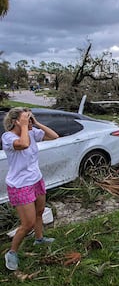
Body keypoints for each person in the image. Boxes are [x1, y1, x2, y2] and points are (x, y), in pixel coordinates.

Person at [2, 107, 59, 271]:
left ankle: (39, 239)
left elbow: (54, 136)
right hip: (20, 185)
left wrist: (35, 123)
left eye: (29, 118)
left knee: (40, 212)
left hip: (36, 179)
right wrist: (25, 127)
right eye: (26, 118)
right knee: (28, 223)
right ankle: (12, 252)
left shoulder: (32, 132)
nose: (29, 120)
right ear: (16, 122)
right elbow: (24, 144)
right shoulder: (8, 137)